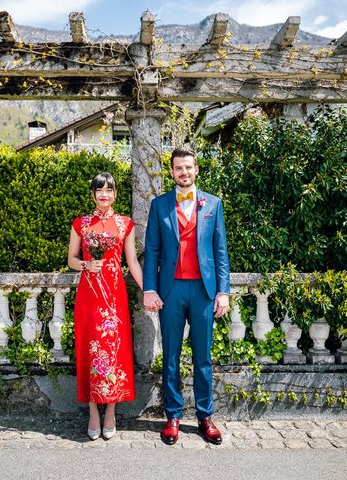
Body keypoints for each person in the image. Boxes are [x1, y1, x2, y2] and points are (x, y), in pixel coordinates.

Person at [143, 147, 230, 445]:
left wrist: (223, 292)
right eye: (179, 168)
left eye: (188, 167)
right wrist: (150, 288)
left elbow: (221, 252)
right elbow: (152, 251)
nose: (184, 172)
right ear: (171, 172)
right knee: (171, 356)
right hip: (171, 290)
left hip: (203, 291)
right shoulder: (159, 205)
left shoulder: (213, 204)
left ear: (196, 169)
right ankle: (173, 416)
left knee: (203, 357)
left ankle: (205, 416)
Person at [68, 172, 143, 440]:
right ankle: (92, 410)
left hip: (114, 295)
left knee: (114, 349)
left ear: (115, 194)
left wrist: (149, 290)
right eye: (99, 189)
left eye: (109, 190)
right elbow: (71, 260)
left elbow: (132, 261)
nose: (104, 194)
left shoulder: (125, 224)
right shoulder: (81, 223)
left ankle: (110, 409)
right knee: (89, 348)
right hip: (89, 295)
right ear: (92, 194)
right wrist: (86, 264)